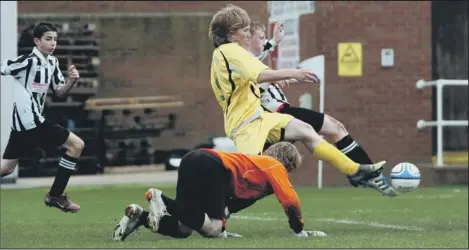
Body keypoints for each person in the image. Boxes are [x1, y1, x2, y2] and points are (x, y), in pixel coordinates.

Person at [207, 4, 394, 196]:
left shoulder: (227, 53)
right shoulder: (230, 51)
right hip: (246, 125)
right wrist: (296, 73)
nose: (248, 35)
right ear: (231, 34)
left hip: (260, 118)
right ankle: (211, 213)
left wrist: (275, 52)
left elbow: (255, 67)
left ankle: (355, 170)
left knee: (306, 130)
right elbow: (260, 74)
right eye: (245, 31)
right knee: (251, 182)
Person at [113, 142, 327, 240]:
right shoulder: (274, 165)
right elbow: (290, 199)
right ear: (288, 164)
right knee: (212, 230)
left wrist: (224, 228)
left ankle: (140, 216)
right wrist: (300, 231)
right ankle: (161, 199)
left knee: (183, 228)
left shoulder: (258, 170)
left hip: (194, 159)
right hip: (212, 165)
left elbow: (229, 204)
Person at [0, 22, 83, 212]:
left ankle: (55, 196)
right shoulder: (28, 61)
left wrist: (71, 81)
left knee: (6, 169)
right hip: (29, 120)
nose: (53, 43)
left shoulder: (52, 62)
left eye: (55, 39)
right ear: (37, 41)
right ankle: (55, 196)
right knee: (77, 145)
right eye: (48, 39)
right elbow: (4, 67)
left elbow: (60, 92)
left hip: (25, 123)